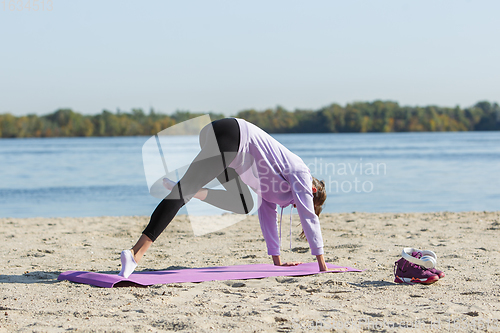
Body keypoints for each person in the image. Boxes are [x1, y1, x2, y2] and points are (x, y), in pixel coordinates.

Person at [119, 118, 329, 278]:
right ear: (311, 190)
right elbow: (308, 216)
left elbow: (267, 216)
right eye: (302, 201)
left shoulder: (275, 188)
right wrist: (322, 266)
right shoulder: (301, 173)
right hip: (233, 137)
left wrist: (277, 263)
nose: (295, 205)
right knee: (182, 193)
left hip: (223, 140)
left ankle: (190, 189)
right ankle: (135, 254)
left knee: (244, 202)